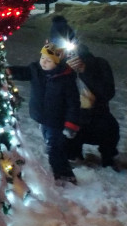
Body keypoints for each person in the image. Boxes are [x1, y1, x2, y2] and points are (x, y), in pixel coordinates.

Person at [50, 15, 120, 169]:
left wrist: (84, 71)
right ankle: (73, 155)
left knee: (110, 129)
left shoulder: (98, 63)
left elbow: (107, 93)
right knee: (64, 138)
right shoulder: (54, 66)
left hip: (96, 116)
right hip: (69, 118)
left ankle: (108, 158)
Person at [9, 42, 82, 185]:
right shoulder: (36, 70)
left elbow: (73, 104)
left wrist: (71, 125)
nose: (43, 62)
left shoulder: (66, 79)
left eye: (48, 60)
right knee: (54, 146)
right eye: (42, 58)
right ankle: (62, 169)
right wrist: (9, 71)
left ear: (57, 62)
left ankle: (64, 174)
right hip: (42, 118)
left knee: (54, 148)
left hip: (57, 121)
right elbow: (23, 72)